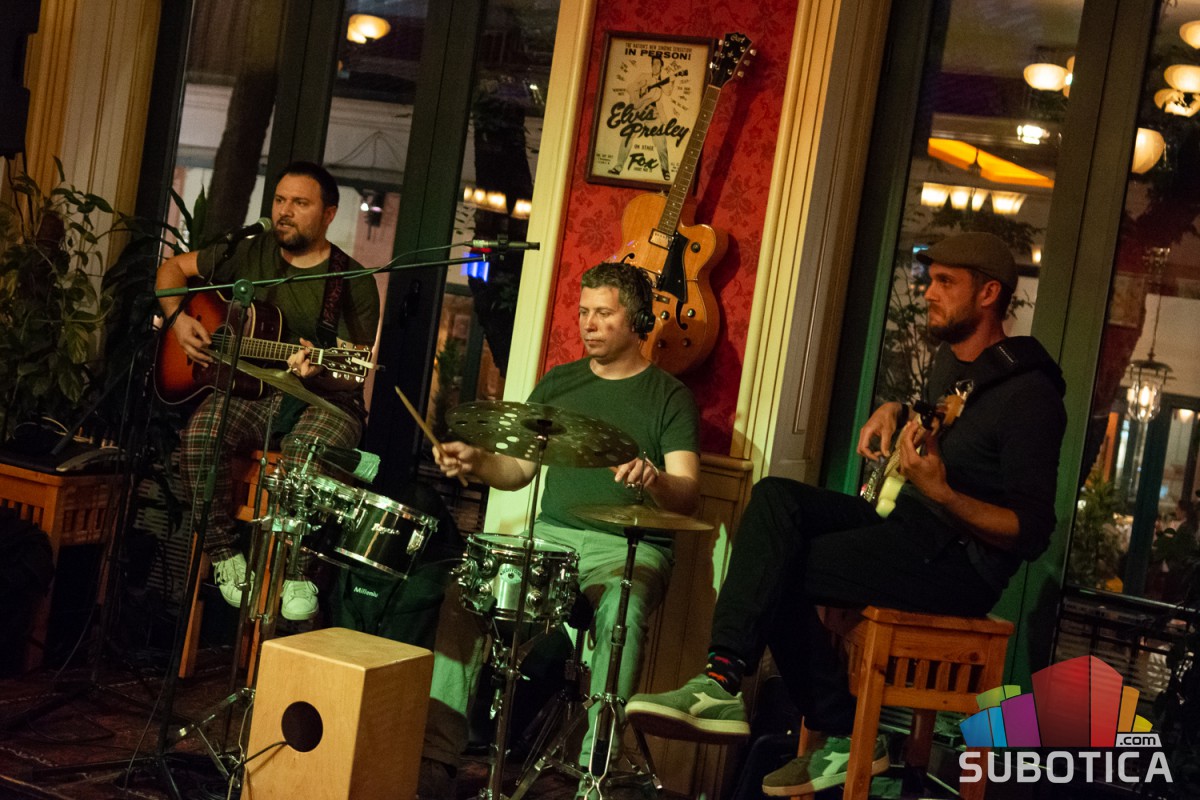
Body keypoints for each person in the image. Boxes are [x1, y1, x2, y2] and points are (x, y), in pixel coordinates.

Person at [625, 231, 1067, 796]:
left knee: (778, 568)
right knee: (775, 498)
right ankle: (723, 680)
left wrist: (943, 494)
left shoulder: (1031, 397)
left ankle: (832, 726)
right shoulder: (956, 364)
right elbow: (956, 419)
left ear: (988, 294)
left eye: (945, 282)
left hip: (959, 565)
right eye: (929, 279)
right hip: (908, 529)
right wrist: (895, 408)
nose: (928, 292)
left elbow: (1031, 532)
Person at [419, 261, 701, 798]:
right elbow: (517, 471)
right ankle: (436, 759)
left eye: (603, 314)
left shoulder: (669, 396)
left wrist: (655, 479)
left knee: (623, 609)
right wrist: (476, 461)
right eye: (583, 312)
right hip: (553, 541)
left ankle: (596, 770)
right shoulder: (559, 382)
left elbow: (687, 493)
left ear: (638, 320)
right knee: (466, 593)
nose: (588, 324)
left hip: (627, 548)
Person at [155, 161, 380, 622]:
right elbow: (172, 268)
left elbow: (355, 371)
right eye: (280, 200)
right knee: (199, 436)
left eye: (300, 203)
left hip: (326, 399)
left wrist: (317, 368)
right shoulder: (249, 251)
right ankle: (225, 556)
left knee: (305, 451)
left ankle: (299, 570)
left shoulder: (353, 281)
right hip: (254, 387)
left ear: (329, 214)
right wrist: (178, 320)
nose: (284, 211)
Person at [608, 54, 674, 182]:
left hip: (653, 114)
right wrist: (640, 87)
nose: (655, 66)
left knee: (660, 142)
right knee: (627, 136)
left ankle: (665, 169)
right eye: (653, 64)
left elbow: (669, 92)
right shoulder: (644, 76)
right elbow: (630, 88)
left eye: (658, 64)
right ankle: (618, 167)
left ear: (661, 66)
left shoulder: (663, 80)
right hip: (638, 112)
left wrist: (669, 80)